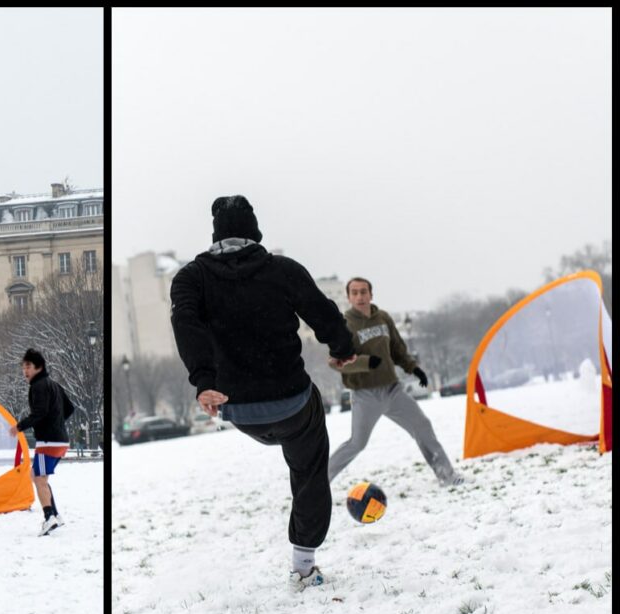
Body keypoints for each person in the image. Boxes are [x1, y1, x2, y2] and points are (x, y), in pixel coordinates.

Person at [170, 195, 357, 589]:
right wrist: (342, 350)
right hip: (292, 403)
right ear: (255, 232)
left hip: (237, 409)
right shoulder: (282, 270)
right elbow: (323, 313)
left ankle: (304, 564)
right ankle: (304, 568)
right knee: (308, 471)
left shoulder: (191, 278)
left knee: (296, 449)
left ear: (216, 235)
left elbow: (187, 325)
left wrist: (204, 382)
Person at [327, 277, 465, 487]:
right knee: (357, 443)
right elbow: (336, 362)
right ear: (348, 298)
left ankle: (447, 476)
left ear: (371, 295)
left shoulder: (383, 318)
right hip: (365, 395)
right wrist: (365, 362)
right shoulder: (344, 324)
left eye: (364, 291)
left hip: (392, 390)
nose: (360, 296)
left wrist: (414, 368)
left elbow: (398, 349)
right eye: (354, 293)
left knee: (422, 427)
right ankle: (318, 483)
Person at [9, 349, 75, 536]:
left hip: (48, 441)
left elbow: (39, 413)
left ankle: (49, 518)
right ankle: (55, 514)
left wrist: (19, 427)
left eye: (28, 366)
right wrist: (57, 423)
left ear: (39, 367)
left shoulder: (38, 386)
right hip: (60, 441)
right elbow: (70, 408)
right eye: (23, 367)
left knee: (39, 479)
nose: (25, 371)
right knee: (38, 477)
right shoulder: (54, 385)